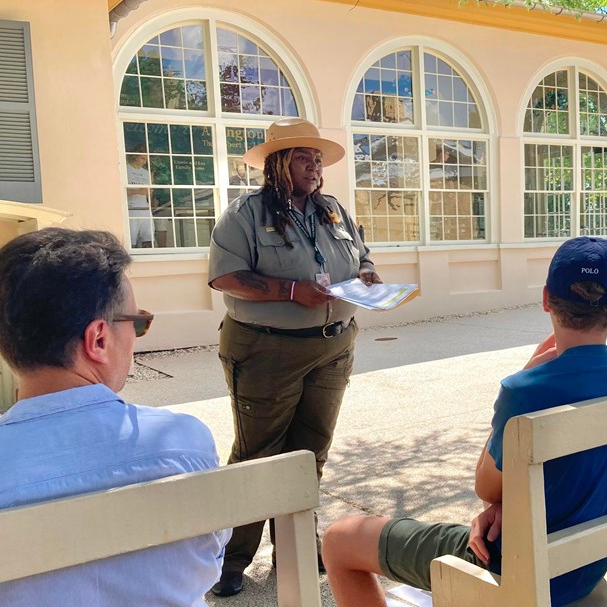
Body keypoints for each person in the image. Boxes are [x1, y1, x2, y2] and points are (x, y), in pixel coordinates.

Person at [323, 236, 607, 607]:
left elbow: (486, 486)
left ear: (545, 299)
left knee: (339, 538)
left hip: (509, 565)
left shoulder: (525, 389)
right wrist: (508, 505)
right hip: (584, 570)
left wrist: (526, 372)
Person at [0, 227, 231, 606]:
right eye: (137, 322)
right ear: (99, 340)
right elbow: (208, 564)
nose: (137, 337)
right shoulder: (185, 443)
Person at [208, 117, 382, 597]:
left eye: (318, 158)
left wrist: (366, 272)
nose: (314, 166)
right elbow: (225, 277)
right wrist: (289, 290)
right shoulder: (244, 215)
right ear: (277, 162)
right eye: (304, 157)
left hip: (334, 345)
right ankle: (229, 560)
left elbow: (362, 255)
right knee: (257, 455)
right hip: (267, 348)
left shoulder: (333, 212)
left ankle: (296, 547)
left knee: (310, 452)